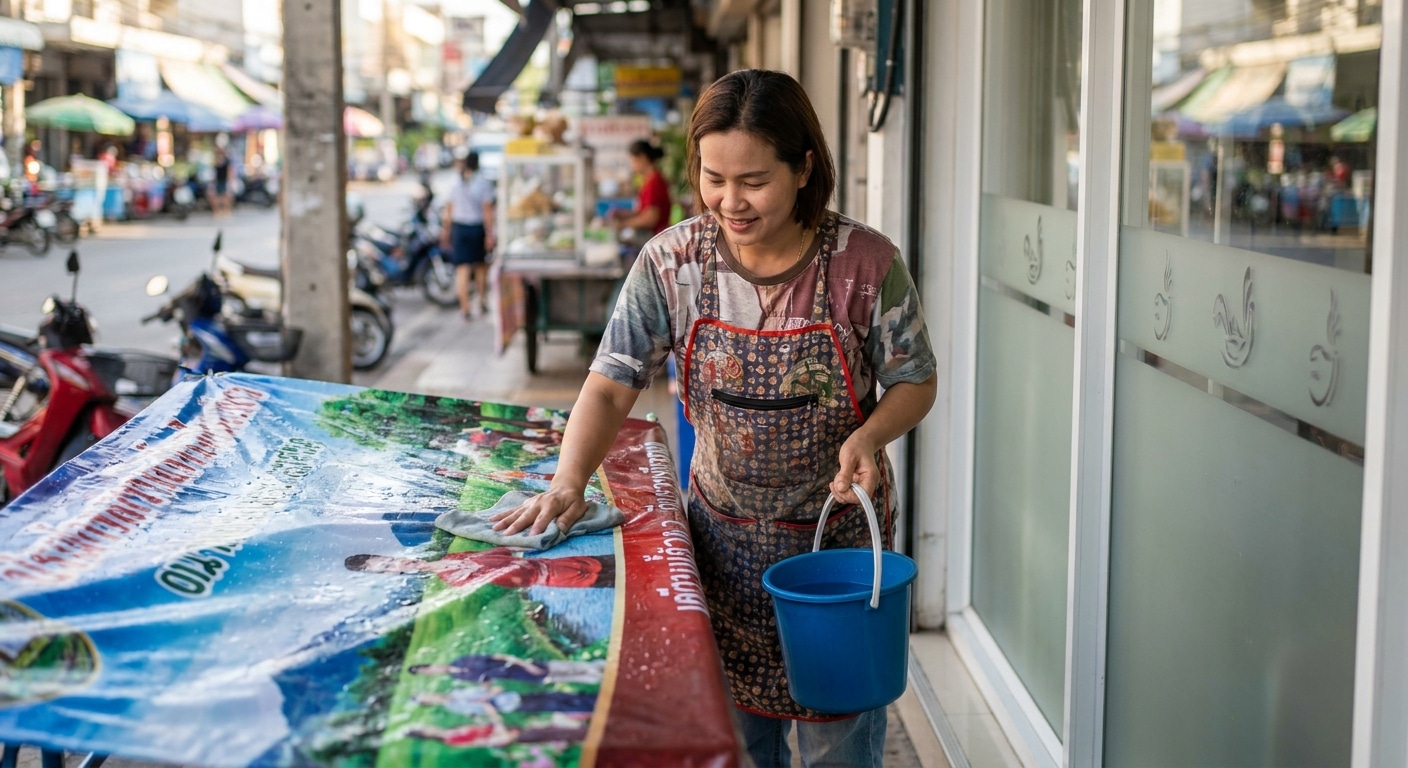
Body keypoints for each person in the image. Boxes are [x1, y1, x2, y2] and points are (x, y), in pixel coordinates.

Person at [489, 69, 938, 768]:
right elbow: (611, 384)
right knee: (742, 745)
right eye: (714, 177)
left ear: (803, 168)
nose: (731, 201)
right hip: (723, 550)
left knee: (839, 748)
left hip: (840, 554)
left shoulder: (865, 264)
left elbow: (916, 380)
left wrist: (870, 435)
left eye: (753, 180)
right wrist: (569, 480)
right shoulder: (671, 263)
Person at [344, 549, 615, 590]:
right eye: (389, 569)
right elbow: (515, 578)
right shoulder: (454, 580)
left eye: (390, 560)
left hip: (556, 562)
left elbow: (504, 553)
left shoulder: (455, 556)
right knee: (617, 579)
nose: (398, 564)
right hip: (553, 576)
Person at [440, 152, 496, 320]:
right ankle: (481, 301)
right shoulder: (483, 182)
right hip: (477, 228)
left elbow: (448, 210)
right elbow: (487, 211)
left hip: (460, 229)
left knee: (462, 269)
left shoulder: (455, 182)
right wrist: (490, 234)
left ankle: (465, 307)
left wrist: (446, 231)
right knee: (480, 267)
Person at [609, 138, 672, 240]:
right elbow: (644, 212)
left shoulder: (655, 183)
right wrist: (624, 214)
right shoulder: (648, 180)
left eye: (633, 161)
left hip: (654, 238)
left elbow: (650, 219)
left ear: (643, 158)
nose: (632, 165)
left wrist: (624, 224)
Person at [408, 654, 604, 685]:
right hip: (522, 677)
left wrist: (526, 664)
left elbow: (500, 657)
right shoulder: (460, 678)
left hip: (527, 666)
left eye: (430, 669)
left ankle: (607, 667)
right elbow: (489, 683)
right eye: (430, 674)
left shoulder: (463, 661)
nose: (434, 671)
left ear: (432, 665)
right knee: (586, 678)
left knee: (577, 668)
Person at [413, 685, 597, 716]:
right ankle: (594, 706)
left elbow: (484, 692)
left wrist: (489, 691)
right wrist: (487, 698)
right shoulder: (455, 706)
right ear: (430, 703)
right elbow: (484, 708)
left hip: (512, 695)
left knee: (557, 697)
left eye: (428, 694)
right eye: (428, 698)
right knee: (556, 705)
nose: (433, 695)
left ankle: (595, 699)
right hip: (510, 704)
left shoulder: (457, 692)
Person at [209, 147, 234, 218]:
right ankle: (217, 211)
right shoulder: (215, 160)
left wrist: (230, 181)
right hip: (218, 181)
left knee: (226, 197)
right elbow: (213, 172)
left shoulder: (227, 161)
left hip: (224, 180)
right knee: (216, 197)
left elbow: (229, 171)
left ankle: (226, 211)